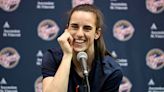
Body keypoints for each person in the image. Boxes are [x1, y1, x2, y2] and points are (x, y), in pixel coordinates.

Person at [41, 4, 123, 92]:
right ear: (67, 29)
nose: (79, 34)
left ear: (97, 33)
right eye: (74, 27)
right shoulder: (52, 58)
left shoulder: (111, 71)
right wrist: (67, 56)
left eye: (87, 28)